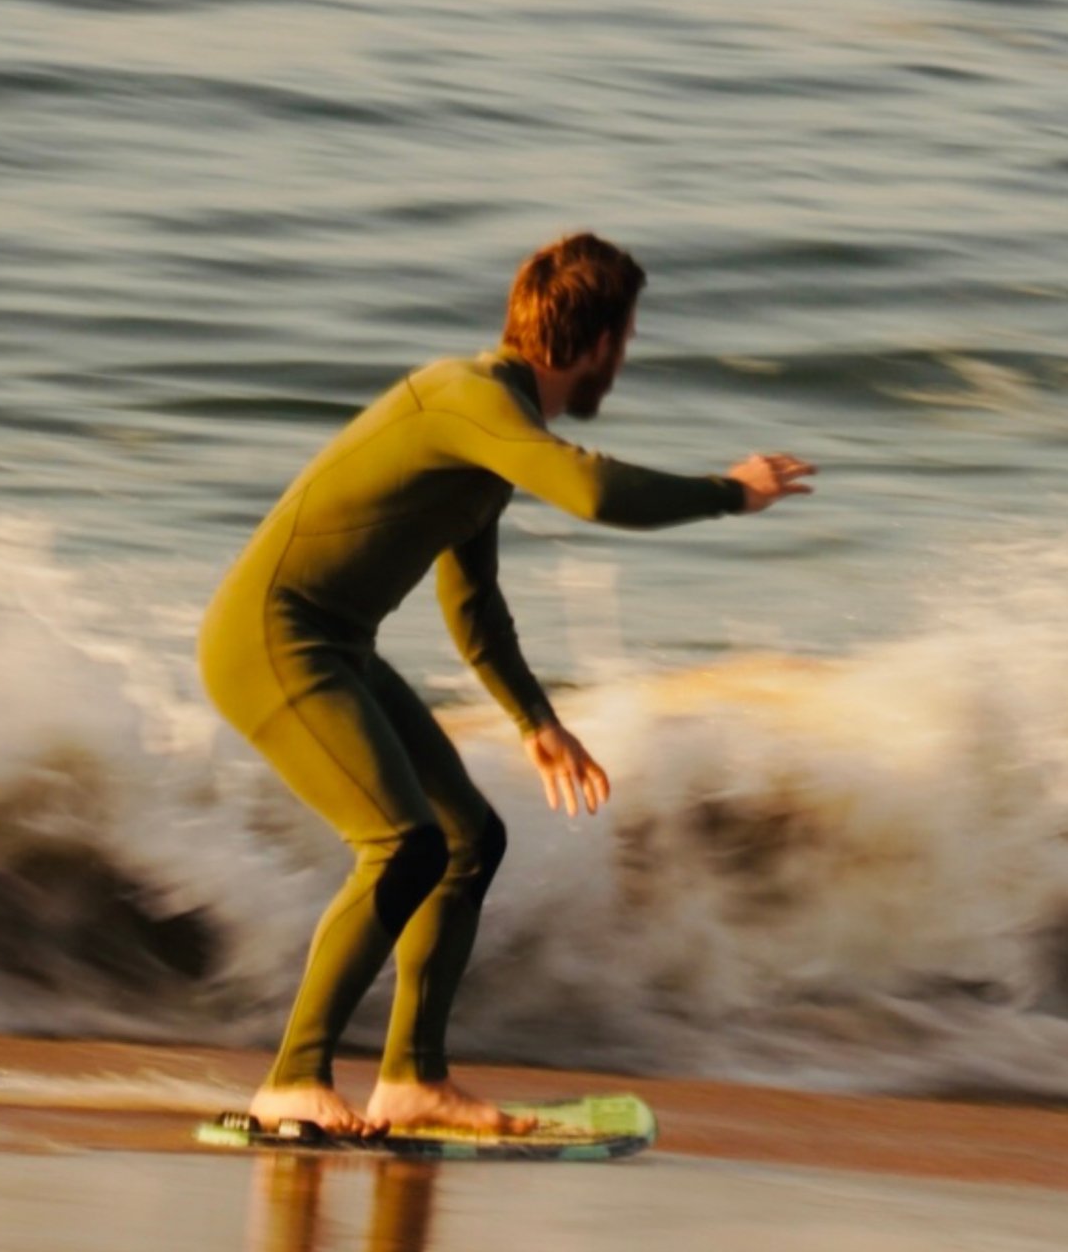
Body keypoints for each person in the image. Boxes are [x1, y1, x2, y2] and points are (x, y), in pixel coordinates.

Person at [198, 232, 814, 1136]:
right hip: (271, 639)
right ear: (599, 342)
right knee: (402, 844)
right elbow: (593, 493)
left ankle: (413, 1080)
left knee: (467, 839)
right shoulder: (470, 399)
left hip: (336, 645)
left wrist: (535, 721)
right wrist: (729, 491)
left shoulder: (494, 426)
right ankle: (292, 1080)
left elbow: (472, 603)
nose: (624, 360)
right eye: (627, 338)